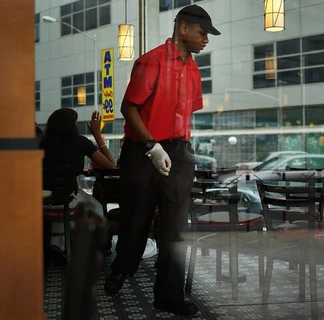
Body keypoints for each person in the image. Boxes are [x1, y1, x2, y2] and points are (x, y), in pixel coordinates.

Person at [103, 4, 220, 316]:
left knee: (174, 227)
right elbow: (129, 108)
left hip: (179, 152)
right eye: (202, 32)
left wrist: (183, 152)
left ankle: (169, 295)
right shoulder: (151, 61)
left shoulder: (194, 69)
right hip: (143, 150)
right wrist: (154, 145)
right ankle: (121, 268)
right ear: (183, 28)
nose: (206, 39)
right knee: (136, 219)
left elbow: (184, 116)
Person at [41, 109, 116, 260]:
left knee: (61, 199)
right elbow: (110, 165)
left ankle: (56, 245)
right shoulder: (80, 142)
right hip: (67, 200)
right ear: (70, 125)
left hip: (42, 201)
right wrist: (97, 135)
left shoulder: (41, 144)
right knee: (95, 207)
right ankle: (95, 247)